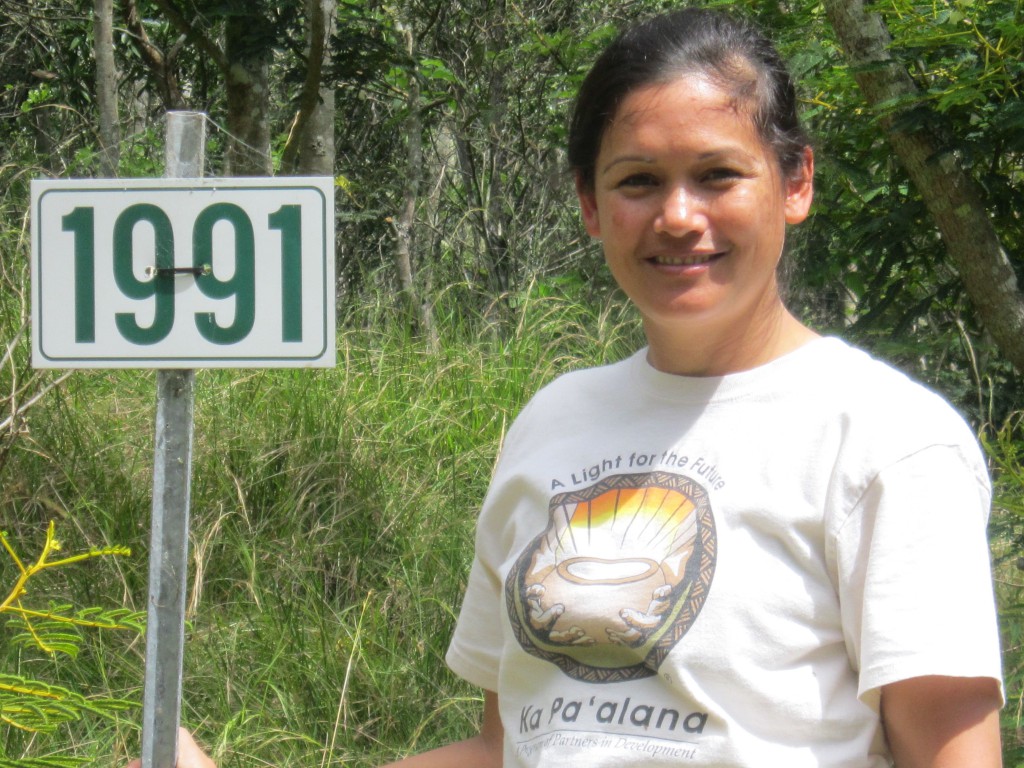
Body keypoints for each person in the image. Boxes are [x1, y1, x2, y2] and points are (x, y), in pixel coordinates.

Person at [136, 7, 1004, 767]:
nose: (678, 216)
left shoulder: (887, 439)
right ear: (590, 205)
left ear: (796, 183)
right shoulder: (554, 419)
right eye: (638, 181)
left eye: (717, 174)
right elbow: (507, 746)